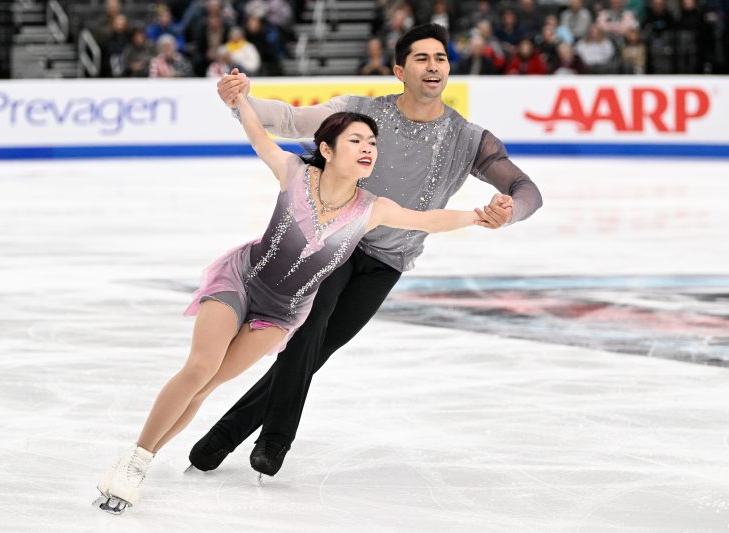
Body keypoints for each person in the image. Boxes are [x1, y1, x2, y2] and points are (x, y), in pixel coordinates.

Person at [94, 85, 496, 515]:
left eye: (372, 142)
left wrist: (479, 216)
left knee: (208, 385)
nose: (368, 148)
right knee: (200, 368)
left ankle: (139, 461)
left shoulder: (373, 208)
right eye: (356, 140)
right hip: (241, 280)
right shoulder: (294, 173)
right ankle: (135, 461)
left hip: (281, 313)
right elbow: (258, 136)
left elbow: (430, 219)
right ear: (327, 149)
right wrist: (239, 100)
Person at [185, 23, 543, 479]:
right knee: (308, 329)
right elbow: (291, 121)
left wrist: (508, 212)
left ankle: (221, 437)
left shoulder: (468, 139)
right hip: (337, 241)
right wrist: (241, 100)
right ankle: (273, 442)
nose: (433, 66)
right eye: (421, 58)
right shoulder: (362, 114)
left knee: (319, 350)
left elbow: (525, 188)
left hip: (389, 261)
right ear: (400, 70)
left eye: (440, 58)